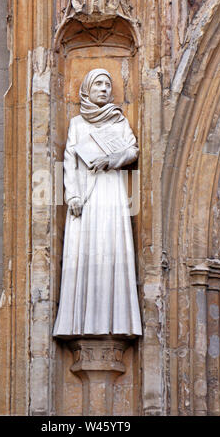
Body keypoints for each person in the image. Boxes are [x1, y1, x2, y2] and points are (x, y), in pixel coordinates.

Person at [53, 68, 142, 337]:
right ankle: (79, 321)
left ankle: (117, 320)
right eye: (98, 84)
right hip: (87, 195)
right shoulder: (78, 125)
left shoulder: (119, 122)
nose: (103, 89)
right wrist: (73, 195)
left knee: (111, 247)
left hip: (111, 190)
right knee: (86, 251)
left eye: (107, 84)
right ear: (87, 89)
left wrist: (111, 159)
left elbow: (132, 150)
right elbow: (69, 161)